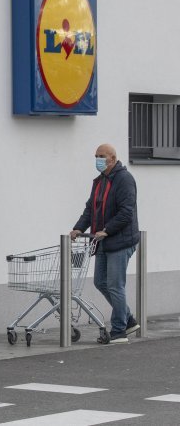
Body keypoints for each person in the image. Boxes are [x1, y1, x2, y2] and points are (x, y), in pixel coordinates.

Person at [71, 143, 140, 344]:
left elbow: (126, 212)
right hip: (103, 241)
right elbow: (90, 209)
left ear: (112, 158)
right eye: (96, 156)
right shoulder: (100, 181)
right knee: (100, 282)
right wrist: (78, 228)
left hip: (119, 241)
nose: (98, 159)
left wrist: (107, 230)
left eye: (101, 156)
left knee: (115, 285)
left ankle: (119, 330)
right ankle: (128, 319)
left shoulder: (124, 180)